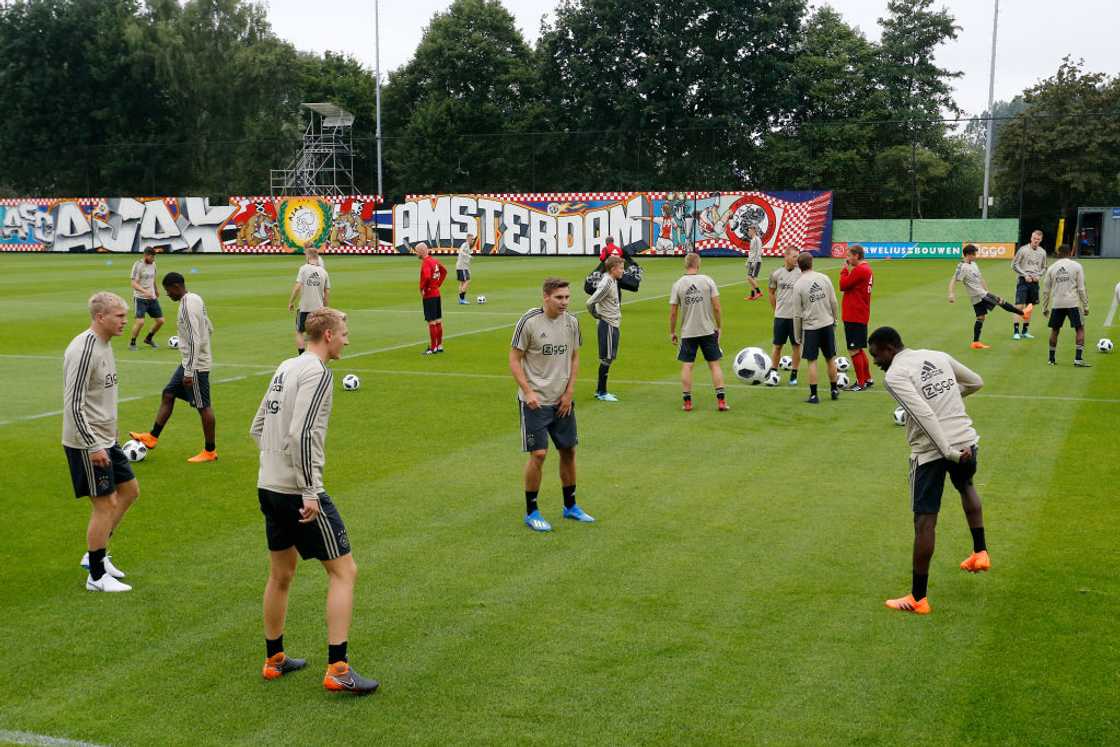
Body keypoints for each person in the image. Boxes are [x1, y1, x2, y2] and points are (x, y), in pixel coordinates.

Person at [250, 308, 379, 694]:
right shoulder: (318, 373)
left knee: (281, 574)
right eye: (343, 333)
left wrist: (273, 468)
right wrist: (308, 488)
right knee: (345, 572)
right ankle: (338, 668)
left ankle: (274, 658)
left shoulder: (286, 365)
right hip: (296, 491)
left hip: (268, 485)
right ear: (326, 334)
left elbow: (258, 426)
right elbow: (302, 433)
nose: (347, 339)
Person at [868, 326, 990, 616]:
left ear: (888, 349)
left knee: (924, 522)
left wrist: (946, 451)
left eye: (875, 355)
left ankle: (918, 598)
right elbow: (975, 382)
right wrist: (949, 401)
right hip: (967, 439)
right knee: (967, 487)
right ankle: (980, 552)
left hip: (933, 452)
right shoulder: (936, 355)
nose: (875, 361)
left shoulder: (894, 375)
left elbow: (923, 414)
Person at [63, 292, 137, 592]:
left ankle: (98, 554)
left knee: (129, 491)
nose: (125, 321)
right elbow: (73, 404)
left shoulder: (105, 345)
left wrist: (111, 436)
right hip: (87, 442)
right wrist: (93, 445)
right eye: (119, 316)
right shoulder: (85, 350)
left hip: (107, 438)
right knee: (105, 505)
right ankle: (95, 575)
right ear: (100, 317)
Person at [510, 278, 594, 532]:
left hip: (562, 400)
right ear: (545, 297)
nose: (565, 302)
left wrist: (569, 392)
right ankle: (532, 511)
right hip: (535, 401)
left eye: (567, 297)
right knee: (539, 454)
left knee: (568, 451)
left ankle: (570, 506)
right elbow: (514, 359)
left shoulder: (572, 322)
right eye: (559, 298)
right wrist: (528, 392)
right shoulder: (529, 322)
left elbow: (575, 356)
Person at [128, 272, 217, 463]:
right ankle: (152, 437)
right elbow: (209, 327)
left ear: (177, 287)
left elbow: (194, 339)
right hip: (189, 362)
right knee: (168, 394)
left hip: (195, 366)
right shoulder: (196, 298)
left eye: (169, 291)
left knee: (203, 407)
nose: (168, 295)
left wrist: (190, 370)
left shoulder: (186, 305)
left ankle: (210, 451)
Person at [669, 252, 728, 412]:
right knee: (714, 365)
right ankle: (721, 401)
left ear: (685, 264)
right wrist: (719, 326)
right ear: (698, 264)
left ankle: (687, 401)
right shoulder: (707, 281)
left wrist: (672, 331)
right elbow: (717, 306)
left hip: (688, 331)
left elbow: (673, 312)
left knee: (687, 366)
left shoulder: (678, 284)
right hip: (708, 329)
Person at [950, 244, 1031, 350]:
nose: (976, 256)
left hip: (980, 294)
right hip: (978, 295)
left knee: (980, 317)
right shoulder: (962, 267)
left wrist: (987, 290)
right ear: (968, 255)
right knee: (1000, 301)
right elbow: (953, 280)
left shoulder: (973, 264)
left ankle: (975, 342)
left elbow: (980, 278)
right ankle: (1023, 314)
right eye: (974, 254)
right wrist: (951, 293)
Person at [791, 252, 840, 404]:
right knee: (830, 358)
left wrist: (797, 334)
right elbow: (834, 302)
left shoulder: (798, 285)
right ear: (812, 263)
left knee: (812, 361)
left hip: (811, 327)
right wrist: (835, 319)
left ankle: (814, 395)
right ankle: (834, 389)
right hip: (826, 323)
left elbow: (797, 314)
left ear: (799, 266)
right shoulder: (824, 278)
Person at [1042, 244, 1091, 367]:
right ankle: (1078, 360)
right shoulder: (1077, 266)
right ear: (1070, 253)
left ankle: (1051, 359)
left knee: (1055, 330)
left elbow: (1046, 290)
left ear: (1058, 254)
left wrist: (1044, 307)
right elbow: (1081, 288)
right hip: (1072, 303)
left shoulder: (1052, 268)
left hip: (1057, 303)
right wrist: (1085, 306)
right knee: (1079, 328)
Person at [587, 255, 624, 401]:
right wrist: (597, 315)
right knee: (607, 358)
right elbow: (590, 302)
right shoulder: (607, 283)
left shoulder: (612, 280)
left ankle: (600, 390)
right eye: (621, 268)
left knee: (609, 357)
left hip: (613, 323)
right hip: (607, 324)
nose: (622, 271)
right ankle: (602, 392)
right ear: (613, 269)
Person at [838, 244, 874, 390]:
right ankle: (868, 379)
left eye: (849, 255)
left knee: (854, 349)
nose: (847, 258)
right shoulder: (867, 269)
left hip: (854, 314)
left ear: (856, 256)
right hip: (860, 313)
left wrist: (844, 270)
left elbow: (842, 285)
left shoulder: (860, 270)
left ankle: (860, 383)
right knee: (859, 349)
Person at [766, 246, 802, 386]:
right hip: (780, 317)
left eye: (797, 257)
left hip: (796, 318)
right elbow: (771, 292)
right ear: (786, 256)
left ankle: (794, 373)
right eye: (794, 257)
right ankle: (773, 371)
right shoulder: (776, 274)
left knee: (796, 346)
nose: (796, 259)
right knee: (777, 346)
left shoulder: (801, 273)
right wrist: (775, 309)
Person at [287, 248, 330, 355]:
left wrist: (291, 301)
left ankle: (302, 355)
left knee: (300, 332)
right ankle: (317, 354)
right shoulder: (324, 272)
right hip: (318, 308)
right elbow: (327, 293)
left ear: (308, 256)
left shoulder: (303, 269)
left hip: (304, 307)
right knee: (316, 333)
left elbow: (297, 286)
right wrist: (325, 308)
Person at [1012, 230, 1047, 339]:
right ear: (1031, 238)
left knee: (1030, 307)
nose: (1036, 241)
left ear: (1041, 240)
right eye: (1034, 238)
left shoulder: (1042, 252)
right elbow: (1014, 264)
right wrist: (1024, 274)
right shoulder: (1023, 250)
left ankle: (1025, 331)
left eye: (1038, 239)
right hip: (1023, 281)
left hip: (1034, 282)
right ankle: (1016, 332)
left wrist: (1039, 276)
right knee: (1019, 306)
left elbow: (1044, 267)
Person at [128, 247, 164, 350]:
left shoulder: (153, 265)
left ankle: (148, 338)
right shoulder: (138, 265)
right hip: (140, 298)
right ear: (145, 255)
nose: (153, 259)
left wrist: (156, 290)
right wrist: (145, 292)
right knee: (140, 322)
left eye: (154, 257)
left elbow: (153, 279)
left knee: (160, 321)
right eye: (152, 256)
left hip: (151, 297)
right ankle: (132, 342)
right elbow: (133, 283)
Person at [416, 243, 447, 354]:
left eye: (417, 251)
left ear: (422, 251)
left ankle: (433, 347)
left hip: (429, 295)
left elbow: (427, 276)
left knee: (431, 322)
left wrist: (423, 288)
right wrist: (438, 284)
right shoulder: (434, 261)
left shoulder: (426, 263)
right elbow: (444, 271)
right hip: (437, 294)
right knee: (438, 320)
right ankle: (439, 345)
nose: (416, 253)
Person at [744, 225, 763, 301]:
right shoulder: (752, 240)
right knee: (752, 279)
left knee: (749, 278)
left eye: (749, 230)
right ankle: (752, 295)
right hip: (752, 261)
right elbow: (751, 252)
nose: (748, 232)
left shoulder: (757, 239)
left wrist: (754, 262)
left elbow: (758, 251)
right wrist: (747, 261)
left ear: (753, 231)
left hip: (756, 261)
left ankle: (759, 292)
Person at [456, 234, 475, 304]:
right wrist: (468, 256)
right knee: (467, 280)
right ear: (468, 239)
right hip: (462, 267)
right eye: (471, 239)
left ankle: (461, 299)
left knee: (462, 282)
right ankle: (462, 299)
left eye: (473, 239)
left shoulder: (468, 246)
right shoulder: (465, 244)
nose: (473, 240)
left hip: (463, 266)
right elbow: (460, 251)